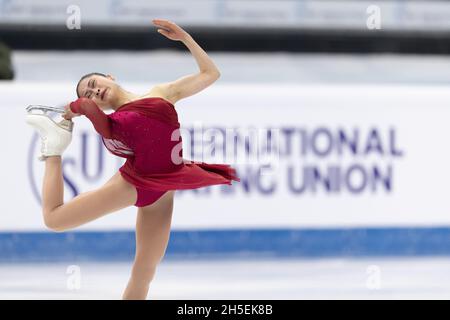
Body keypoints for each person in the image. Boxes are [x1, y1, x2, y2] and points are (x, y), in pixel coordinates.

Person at [25, 19, 240, 300]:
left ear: (109, 77)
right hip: (134, 183)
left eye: (93, 84)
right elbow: (89, 108)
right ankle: (52, 148)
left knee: (144, 271)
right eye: (89, 93)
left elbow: (210, 73)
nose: (94, 92)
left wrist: (185, 38)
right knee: (54, 220)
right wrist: (78, 107)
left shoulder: (162, 92)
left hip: (164, 190)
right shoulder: (110, 122)